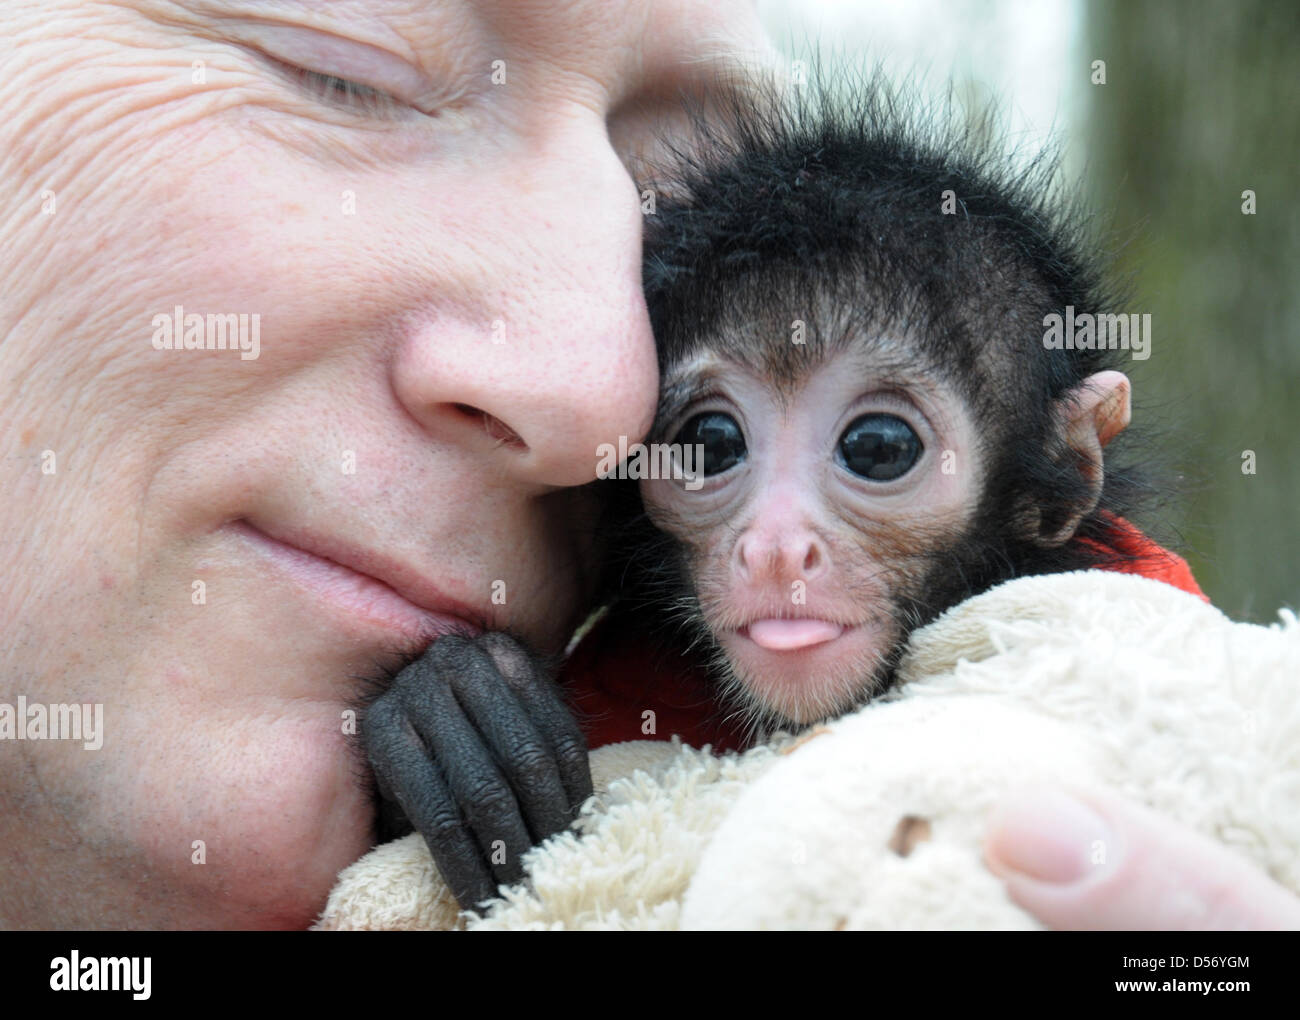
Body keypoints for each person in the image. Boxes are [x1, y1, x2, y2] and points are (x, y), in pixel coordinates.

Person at [0, 0, 1293, 931]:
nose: (603, 396)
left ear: (1059, 479)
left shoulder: (1176, 707)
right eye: (348, 64)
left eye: (653, 213)